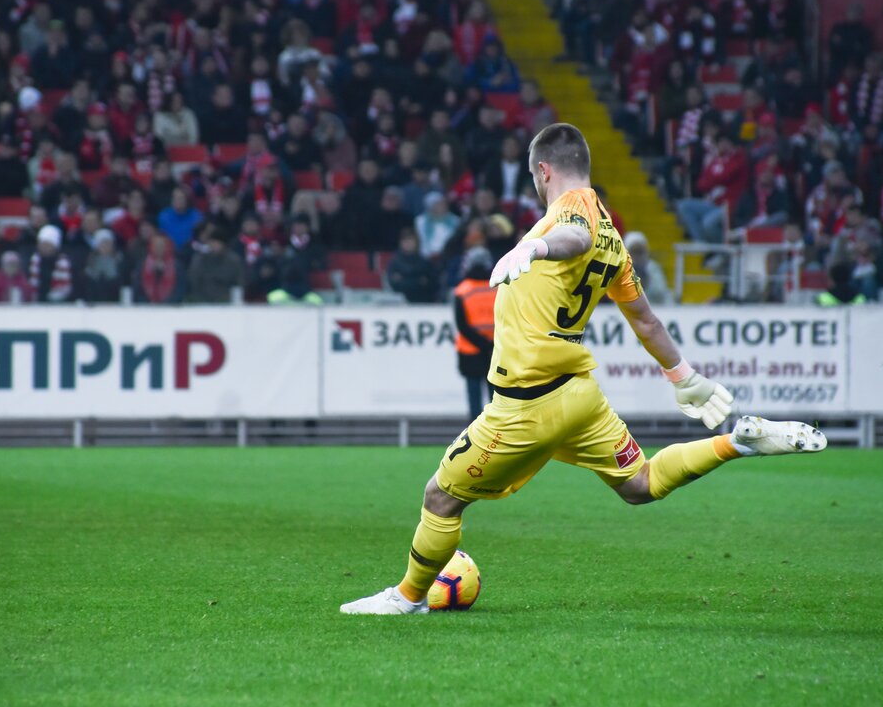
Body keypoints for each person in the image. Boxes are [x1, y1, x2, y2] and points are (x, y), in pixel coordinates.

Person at [341, 123, 827, 616]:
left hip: (528, 404)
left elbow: (573, 237)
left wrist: (535, 247)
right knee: (640, 484)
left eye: (535, 177)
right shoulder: (613, 238)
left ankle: (407, 599)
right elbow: (645, 318)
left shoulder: (571, 212)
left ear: (544, 171)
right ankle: (738, 442)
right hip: (579, 398)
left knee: (441, 496)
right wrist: (684, 377)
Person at [451, 247, 496, 421]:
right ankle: (497, 434)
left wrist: (481, 344)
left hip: (470, 352)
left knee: (474, 399)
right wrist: (490, 345)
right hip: (495, 350)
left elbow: (462, 325)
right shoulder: (499, 287)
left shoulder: (462, 290)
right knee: (496, 400)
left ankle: (475, 434)